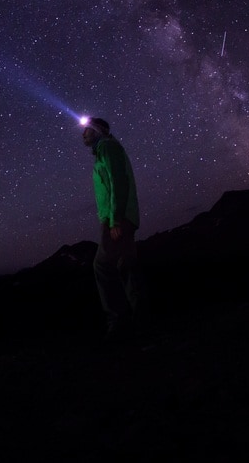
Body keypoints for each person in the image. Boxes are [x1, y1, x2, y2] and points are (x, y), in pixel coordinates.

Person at [81, 117, 149, 343]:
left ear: (99, 131)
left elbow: (118, 182)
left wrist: (115, 220)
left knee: (101, 266)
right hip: (123, 215)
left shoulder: (108, 148)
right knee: (126, 266)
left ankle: (118, 323)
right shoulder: (105, 150)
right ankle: (140, 323)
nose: (83, 135)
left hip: (116, 217)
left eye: (87, 130)